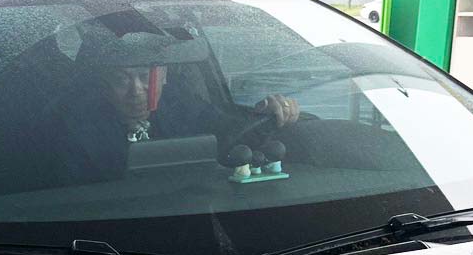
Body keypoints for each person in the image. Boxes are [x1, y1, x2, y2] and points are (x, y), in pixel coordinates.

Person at [54, 28, 299, 184]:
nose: (137, 90)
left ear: (164, 76)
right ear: (103, 84)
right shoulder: (75, 128)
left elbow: (231, 134)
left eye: (145, 77)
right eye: (121, 80)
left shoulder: (181, 106)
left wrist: (267, 117)